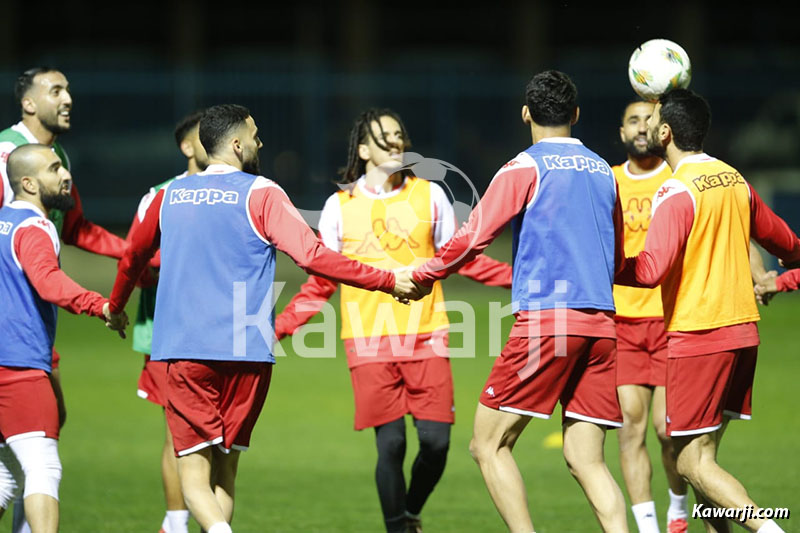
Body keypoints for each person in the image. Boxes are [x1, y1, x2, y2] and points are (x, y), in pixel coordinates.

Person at [107, 104, 419, 533]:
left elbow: (132, 257)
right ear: (236, 144)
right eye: (255, 136)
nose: (261, 143)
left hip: (184, 351)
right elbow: (313, 256)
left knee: (194, 480)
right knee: (226, 474)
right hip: (248, 352)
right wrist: (386, 280)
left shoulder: (167, 196)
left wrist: (116, 305)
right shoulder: (263, 193)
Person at [407, 70, 630, 532]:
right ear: (576, 114)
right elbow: (619, 255)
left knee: (487, 445)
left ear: (526, 113)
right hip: (604, 327)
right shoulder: (605, 172)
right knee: (586, 458)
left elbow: (474, 237)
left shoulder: (524, 167)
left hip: (548, 325)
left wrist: (425, 273)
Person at [274, 108, 512, 533]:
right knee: (392, 444)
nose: (395, 143)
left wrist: (521, 281)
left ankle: (411, 511)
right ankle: (399, 528)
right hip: (367, 342)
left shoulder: (430, 196)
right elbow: (320, 283)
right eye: (384, 137)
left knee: (436, 443)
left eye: (400, 135)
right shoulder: (338, 207)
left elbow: (461, 260)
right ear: (363, 149)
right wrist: (280, 327)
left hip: (427, 334)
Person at [615, 88, 800, 533]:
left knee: (691, 464)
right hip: (743, 339)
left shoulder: (675, 191)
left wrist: (602, 264)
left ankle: (770, 530)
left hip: (699, 338)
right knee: (705, 461)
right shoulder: (734, 180)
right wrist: (780, 280)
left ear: (666, 132)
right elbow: (791, 247)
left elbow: (650, 271)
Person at [0, 67, 130, 532]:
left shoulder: (51, 158)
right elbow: (42, 270)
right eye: (56, 90)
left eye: (69, 88)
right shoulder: (8, 155)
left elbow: (75, 228)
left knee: (21, 455)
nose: (68, 98)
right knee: (39, 454)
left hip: (27, 321)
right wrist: (99, 305)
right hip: (16, 329)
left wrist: (137, 254)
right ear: (29, 103)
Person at [127, 110, 208, 533]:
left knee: (221, 439)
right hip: (166, 334)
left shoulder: (237, 191)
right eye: (203, 135)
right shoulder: (160, 194)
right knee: (176, 433)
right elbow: (136, 261)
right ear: (186, 146)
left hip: (221, 333)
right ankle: (175, 523)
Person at [611, 100, 688, 533]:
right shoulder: (608, 181)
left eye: (650, 120)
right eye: (633, 120)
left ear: (664, 131)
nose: (642, 127)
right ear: (621, 132)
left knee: (666, 429)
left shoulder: (678, 179)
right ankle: (648, 527)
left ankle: (678, 504)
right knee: (630, 428)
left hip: (669, 318)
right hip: (621, 322)